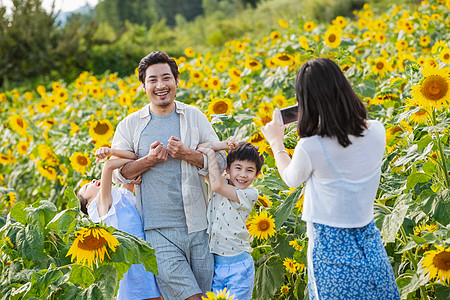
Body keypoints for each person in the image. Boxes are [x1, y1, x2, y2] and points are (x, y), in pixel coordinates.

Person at [261, 58, 400, 299]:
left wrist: (276, 142)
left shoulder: (311, 147)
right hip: (368, 238)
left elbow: (291, 178)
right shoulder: (377, 130)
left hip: (329, 243)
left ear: (307, 103)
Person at [111, 51, 227, 300]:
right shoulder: (130, 125)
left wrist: (188, 154)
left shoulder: (194, 116)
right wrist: (148, 161)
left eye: (166, 78)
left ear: (176, 81)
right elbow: (119, 174)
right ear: (143, 86)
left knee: (206, 294)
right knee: (190, 297)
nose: (160, 85)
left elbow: (220, 161)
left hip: (199, 225)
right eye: (152, 80)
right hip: (156, 229)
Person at [77, 147, 162, 300]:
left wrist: (116, 154)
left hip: (143, 256)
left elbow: (133, 157)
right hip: (127, 263)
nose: (92, 181)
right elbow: (108, 167)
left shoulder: (120, 197)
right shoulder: (101, 207)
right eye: (86, 186)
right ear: (88, 206)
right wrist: (139, 161)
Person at [197, 138, 264, 300]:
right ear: (228, 169)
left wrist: (211, 154)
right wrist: (223, 146)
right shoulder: (220, 180)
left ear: (257, 175)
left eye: (249, 170)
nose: (242, 175)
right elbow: (201, 147)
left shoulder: (250, 193)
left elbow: (217, 186)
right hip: (214, 264)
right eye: (238, 168)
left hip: (238, 267)